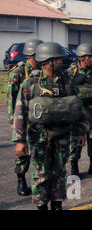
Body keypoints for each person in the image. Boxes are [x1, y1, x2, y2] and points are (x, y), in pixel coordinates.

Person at [12, 42, 88, 210]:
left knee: (59, 174)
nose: (62, 62)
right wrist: (20, 141)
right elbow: (20, 111)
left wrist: (81, 131)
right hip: (39, 138)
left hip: (62, 136)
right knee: (41, 175)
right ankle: (41, 206)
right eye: (58, 59)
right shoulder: (31, 83)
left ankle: (57, 204)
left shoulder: (66, 81)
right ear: (47, 61)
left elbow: (77, 107)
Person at [7, 39, 43, 196]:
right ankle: (21, 180)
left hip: (40, 117)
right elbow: (11, 98)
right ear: (30, 56)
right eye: (37, 56)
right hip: (23, 116)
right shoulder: (18, 72)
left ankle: (40, 182)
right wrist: (13, 120)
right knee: (23, 154)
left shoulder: (43, 71)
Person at [68, 43, 92, 178]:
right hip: (77, 114)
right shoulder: (71, 72)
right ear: (81, 57)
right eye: (89, 56)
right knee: (76, 141)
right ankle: (74, 167)